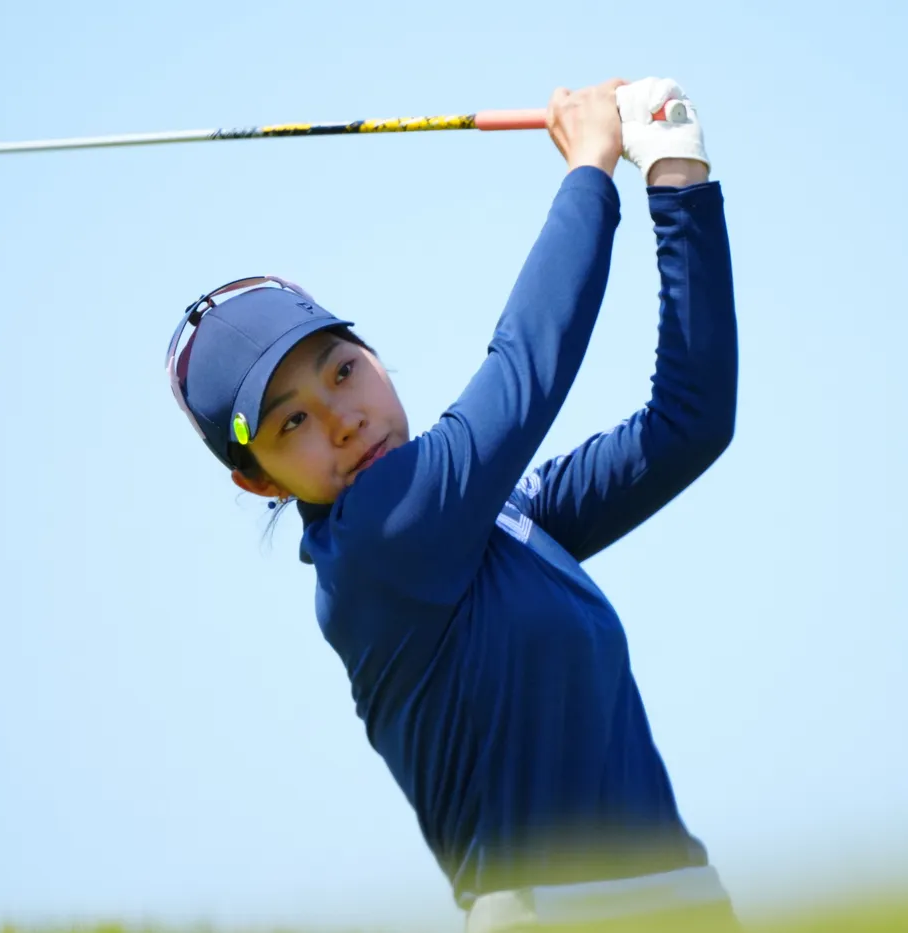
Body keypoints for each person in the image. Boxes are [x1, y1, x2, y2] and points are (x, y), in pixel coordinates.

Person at [164, 76, 741, 932]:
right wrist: (588, 168)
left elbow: (688, 425)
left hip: (684, 899)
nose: (342, 418)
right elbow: (524, 368)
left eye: (342, 370)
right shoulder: (374, 544)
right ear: (259, 480)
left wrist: (677, 178)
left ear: (372, 355)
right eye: (293, 421)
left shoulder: (497, 517)